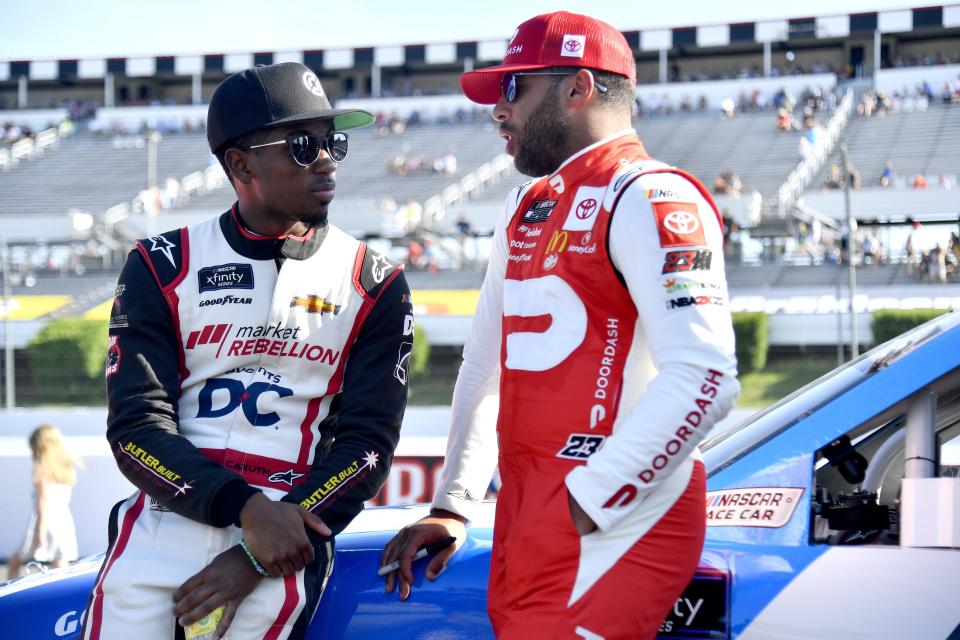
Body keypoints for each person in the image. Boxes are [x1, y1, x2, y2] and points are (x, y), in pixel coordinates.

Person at [380, 12, 739, 639]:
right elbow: (483, 370)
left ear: (579, 88)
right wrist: (455, 502)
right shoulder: (525, 206)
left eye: (514, 88)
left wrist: (591, 499)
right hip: (529, 516)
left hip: (612, 524)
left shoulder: (653, 195)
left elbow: (707, 375)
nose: (498, 110)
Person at [81, 62, 413, 640]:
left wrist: (260, 551)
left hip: (287, 540)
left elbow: (366, 448)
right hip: (163, 524)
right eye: (304, 145)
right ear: (241, 164)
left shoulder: (374, 281)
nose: (328, 159)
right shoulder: (163, 264)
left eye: (333, 140)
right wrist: (244, 508)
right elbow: (136, 427)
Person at [8, 424, 80, 579]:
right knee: (60, 563)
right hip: (63, 517)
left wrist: (39, 529)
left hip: (44, 518)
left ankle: (10, 596)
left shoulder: (40, 468)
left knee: (16, 561)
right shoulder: (66, 466)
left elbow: (43, 499)